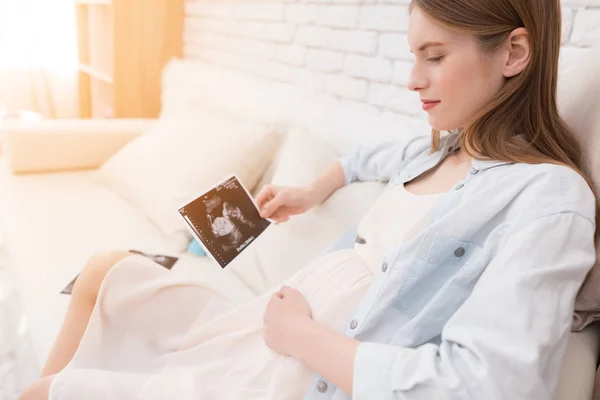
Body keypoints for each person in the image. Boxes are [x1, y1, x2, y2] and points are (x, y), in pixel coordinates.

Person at [20, 0, 597, 398]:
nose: (412, 79)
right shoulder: (443, 149)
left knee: (47, 392)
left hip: (298, 369)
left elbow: (489, 385)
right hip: (267, 322)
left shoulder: (547, 195)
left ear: (514, 53)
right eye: (413, 55)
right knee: (106, 268)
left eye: (435, 56)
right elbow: (365, 158)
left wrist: (300, 336)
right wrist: (311, 189)